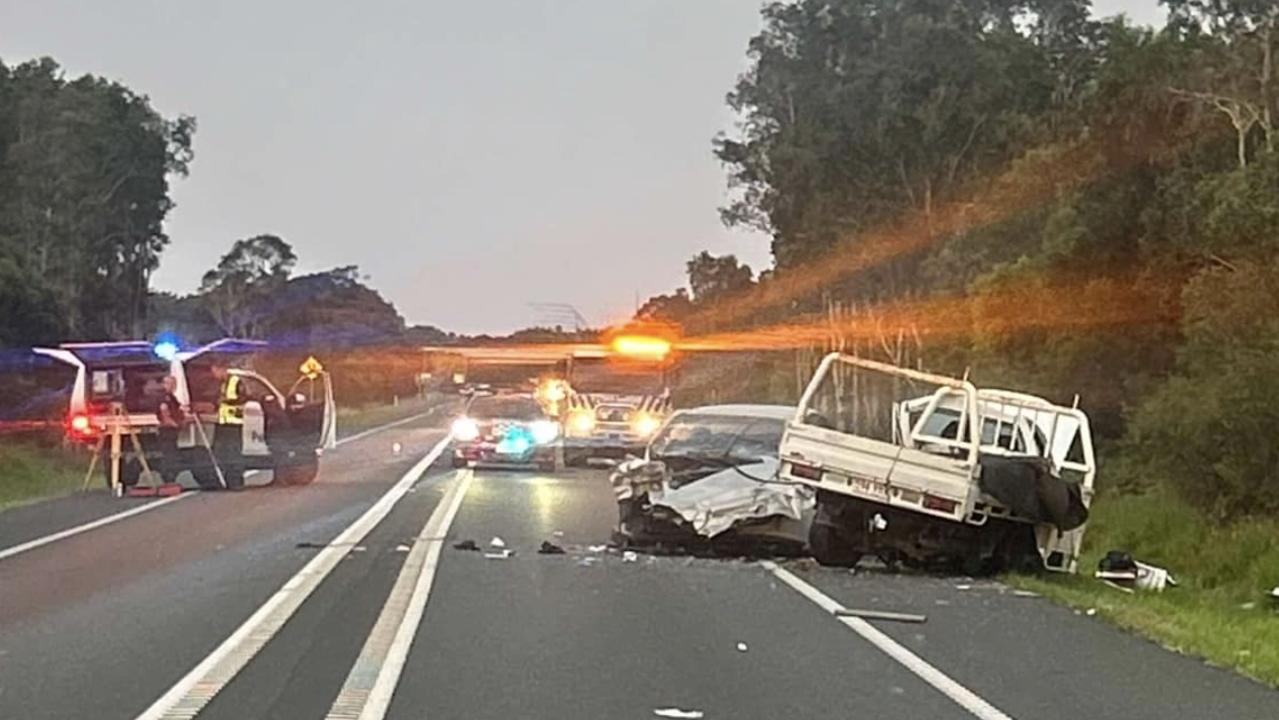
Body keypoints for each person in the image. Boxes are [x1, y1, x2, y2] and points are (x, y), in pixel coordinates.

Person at [211, 363, 247, 490]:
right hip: (223, 423)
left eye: (215, 371)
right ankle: (228, 480)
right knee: (223, 453)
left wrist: (226, 401)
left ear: (222, 369)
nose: (214, 375)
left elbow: (243, 398)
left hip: (234, 423)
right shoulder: (223, 384)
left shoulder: (236, 381)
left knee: (234, 453)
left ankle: (237, 482)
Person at [155, 375, 187, 486]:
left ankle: (171, 477)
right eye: (169, 383)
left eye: (174, 384)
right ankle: (168, 477)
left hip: (171, 430)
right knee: (169, 454)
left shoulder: (172, 397)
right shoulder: (164, 398)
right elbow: (164, 413)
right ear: (164, 384)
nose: (172, 386)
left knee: (172, 453)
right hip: (166, 430)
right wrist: (175, 424)